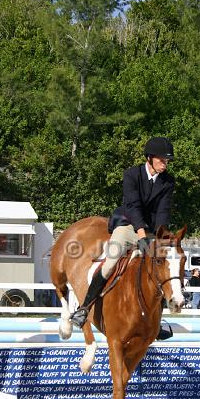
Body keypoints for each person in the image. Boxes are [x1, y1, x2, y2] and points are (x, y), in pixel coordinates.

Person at [70, 136, 175, 328]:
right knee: (110, 263)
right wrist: (141, 235)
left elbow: (163, 211)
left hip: (151, 231)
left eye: (167, 161)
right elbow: (133, 206)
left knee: (160, 266)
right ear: (149, 158)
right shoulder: (131, 175)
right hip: (128, 226)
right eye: (162, 160)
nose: (165, 164)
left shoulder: (168, 181)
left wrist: (159, 238)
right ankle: (84, 308)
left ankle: (157, 321)